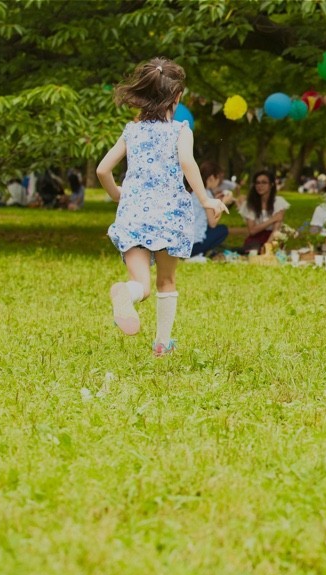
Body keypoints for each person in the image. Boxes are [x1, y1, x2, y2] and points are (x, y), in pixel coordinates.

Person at [97, 57, 228, 357]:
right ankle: (161, 344)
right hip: (168, 216)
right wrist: (206, 199)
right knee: (166, 280)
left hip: (133, 214)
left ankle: (126, 292)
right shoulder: (181, 130)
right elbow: (186, 162)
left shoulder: (132, 131)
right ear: (177, 96)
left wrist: (120, 195)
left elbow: (103, 170)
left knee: (140, 283)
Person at [239, 170, 289, 252]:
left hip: (273, 237)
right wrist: (272, 219)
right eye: (257, 183)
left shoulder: (279, 202)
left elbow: (276, 231)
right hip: (256, 238)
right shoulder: (250, 204)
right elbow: (252, 231)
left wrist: (267, 247)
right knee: (253, 251)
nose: (260, 186)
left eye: (264, 183)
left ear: (271, 185)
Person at [189, 160, 230, 258]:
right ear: (212, 178)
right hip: (194, 244)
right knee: (223, 230)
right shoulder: (206, 194)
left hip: (185, 242)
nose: (219, 183)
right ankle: (202, 252)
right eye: (219, 179)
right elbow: (212, 223)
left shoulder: (194, 191)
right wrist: (223, 203)